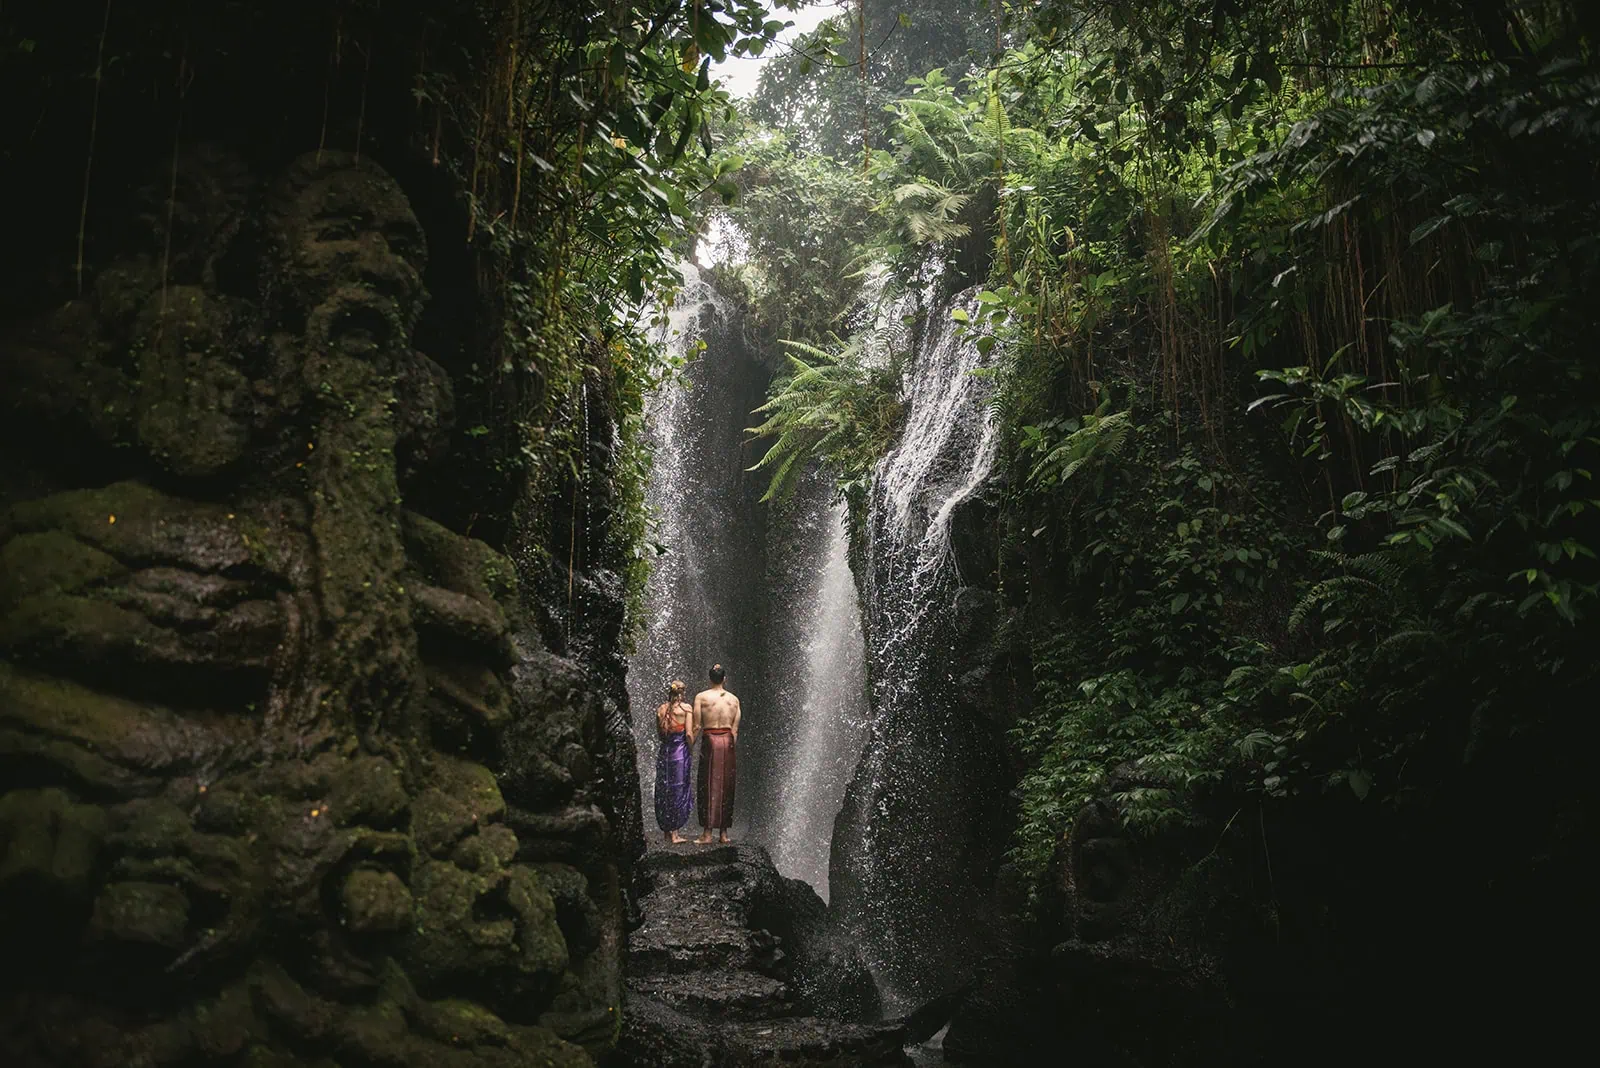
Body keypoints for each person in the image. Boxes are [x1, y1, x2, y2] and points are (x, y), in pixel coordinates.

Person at [693, 663, 741, 844]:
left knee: (708, 782)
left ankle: (706, 834)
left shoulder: (701, 697)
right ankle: (723, 834)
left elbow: (697, 725)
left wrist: (689, 744)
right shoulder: (734, 700)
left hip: (710, 739)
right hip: (727, 741)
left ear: (709, 678)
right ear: (724, 679)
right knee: (726, 785)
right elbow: (735, 731)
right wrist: (729, 746)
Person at [654, 680, 695, 844]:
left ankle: (666, 831)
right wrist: (690, 750)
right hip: (679, 752)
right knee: (678, 788)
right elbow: (689, 734)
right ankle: (675, 834)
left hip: (665, 752)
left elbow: (660, 736)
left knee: (664, 788)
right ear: (682, 693)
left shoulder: (660, 710)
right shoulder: (686, 709)